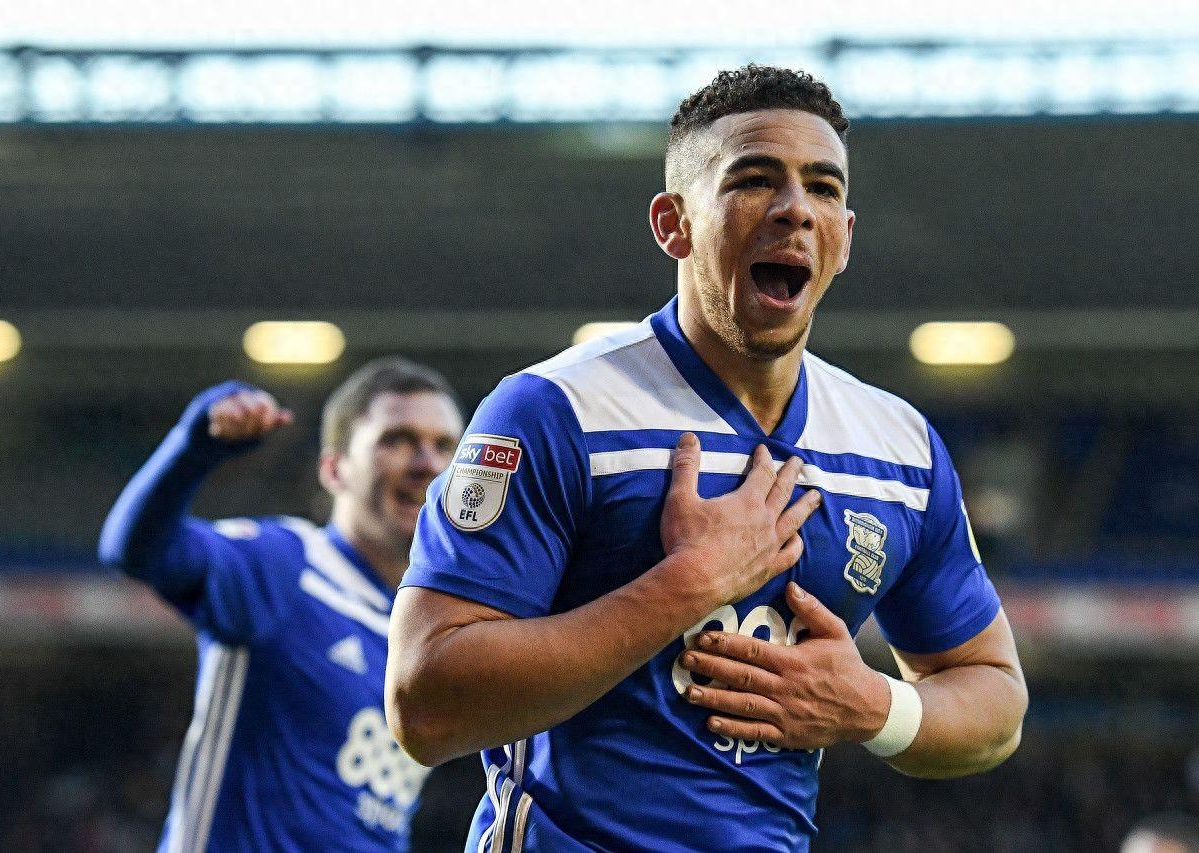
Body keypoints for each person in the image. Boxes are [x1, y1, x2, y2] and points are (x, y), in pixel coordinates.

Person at [387, 65, 1028, 852]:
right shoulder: (557, 411)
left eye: (823, 188)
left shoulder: (898, 448)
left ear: (844, 238)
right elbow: (424, 703)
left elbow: (995, 701)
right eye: (754, 180)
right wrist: (687, 584)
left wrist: (873, 705)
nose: (795, 209)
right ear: (674, 223)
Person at [99, 357, 464, 852]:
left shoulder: (432, 627)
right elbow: (134, 549)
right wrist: (194, 445)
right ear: (334, 469)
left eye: (445, 446)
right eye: (397, 440)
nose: (428, 464)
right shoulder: (285, 563)